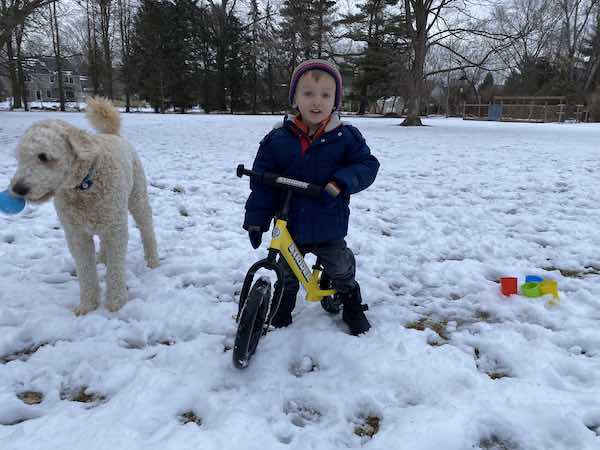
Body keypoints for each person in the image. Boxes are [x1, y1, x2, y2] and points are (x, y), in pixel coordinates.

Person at [243, 59, 379, 336]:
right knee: (288, 272)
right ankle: (282, 306)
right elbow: (262, 183)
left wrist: (341, 182)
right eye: (308, 94)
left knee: (339, 268)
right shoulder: (277, 139)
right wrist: (256, 219)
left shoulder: (346, 137)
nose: (316, 102)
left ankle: (351, 300)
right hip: (290, 221)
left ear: (335, 101)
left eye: (325, 95)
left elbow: (367, 165)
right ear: (295, 99)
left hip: (329, 221)